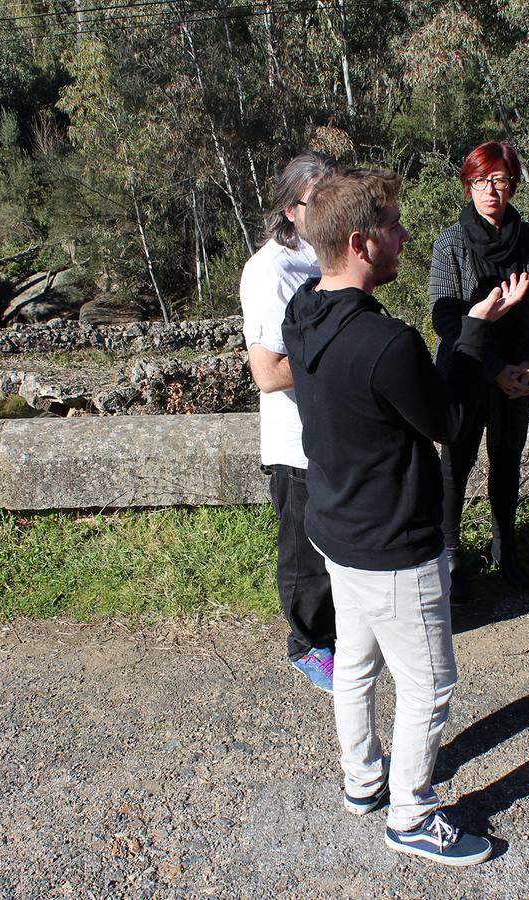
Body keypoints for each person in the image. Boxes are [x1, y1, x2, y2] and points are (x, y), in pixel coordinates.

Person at [281, 166, 527, 866]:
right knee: (429, 683)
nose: (404, 235)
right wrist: (475, 330)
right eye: (392, 225)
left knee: (357, 665)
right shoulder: (387, 343)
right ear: (360, 243)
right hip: (393, 542)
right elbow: (448, 418)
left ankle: (364, 781)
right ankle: (412, 814)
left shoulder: (304, 308)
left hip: (336, 526)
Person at [430, 141, 529, 597]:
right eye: (480, 181)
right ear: (468, 185)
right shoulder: (450, 242)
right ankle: (451, 555)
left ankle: (507, 549)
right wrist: (496, 368)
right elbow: (446, 321)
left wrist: (526, 364)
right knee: (454, 465)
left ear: (513, 185)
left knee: (507, 462)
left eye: (499, 180)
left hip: (517, 374)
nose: (490, 191)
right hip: (466, 372)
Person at [239, 150, 339, 692]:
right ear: (289, 207)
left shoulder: (328, 259)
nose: (327, 210)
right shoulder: (270, 268)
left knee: (333, 543)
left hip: (333, 431)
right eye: (315, 200)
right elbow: (268, 372)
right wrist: (346, 368)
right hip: (294, 442)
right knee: (303, 552)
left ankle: (331, 632)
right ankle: (306, 644)